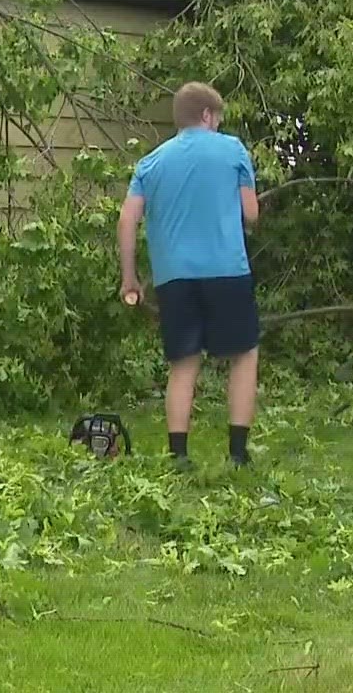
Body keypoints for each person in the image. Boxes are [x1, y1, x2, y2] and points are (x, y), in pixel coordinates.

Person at [118, 81, 261, 468]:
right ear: (207, 115)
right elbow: (251, 215)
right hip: (226, 269)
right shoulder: (232, 150)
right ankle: (237, 453)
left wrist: (130, 278)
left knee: (183, 362)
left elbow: (127, 219)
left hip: (174, 277)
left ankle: (179, 455)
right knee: (244, 354)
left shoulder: (151, 163)